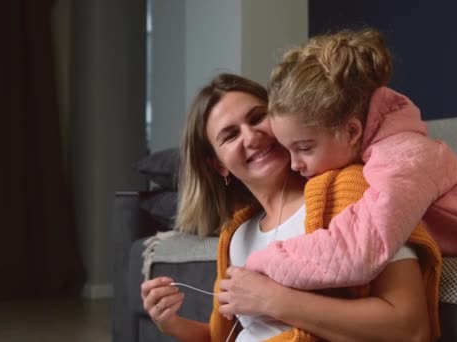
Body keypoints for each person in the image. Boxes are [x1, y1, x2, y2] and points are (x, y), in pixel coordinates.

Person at [244, 28, 457, 291]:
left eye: (303, 148)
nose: (294, 164)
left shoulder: (403, 158)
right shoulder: (376, 156)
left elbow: (359, 249)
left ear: (351, 131)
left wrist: (260, 263)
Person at [141, 74, 440, 341]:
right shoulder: (235, 237)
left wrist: (274, 300)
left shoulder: (350, 190)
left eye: (258, 117)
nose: (252, 136)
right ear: (218, 164)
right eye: (231, 135)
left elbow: (410, 328)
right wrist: (171, 324)